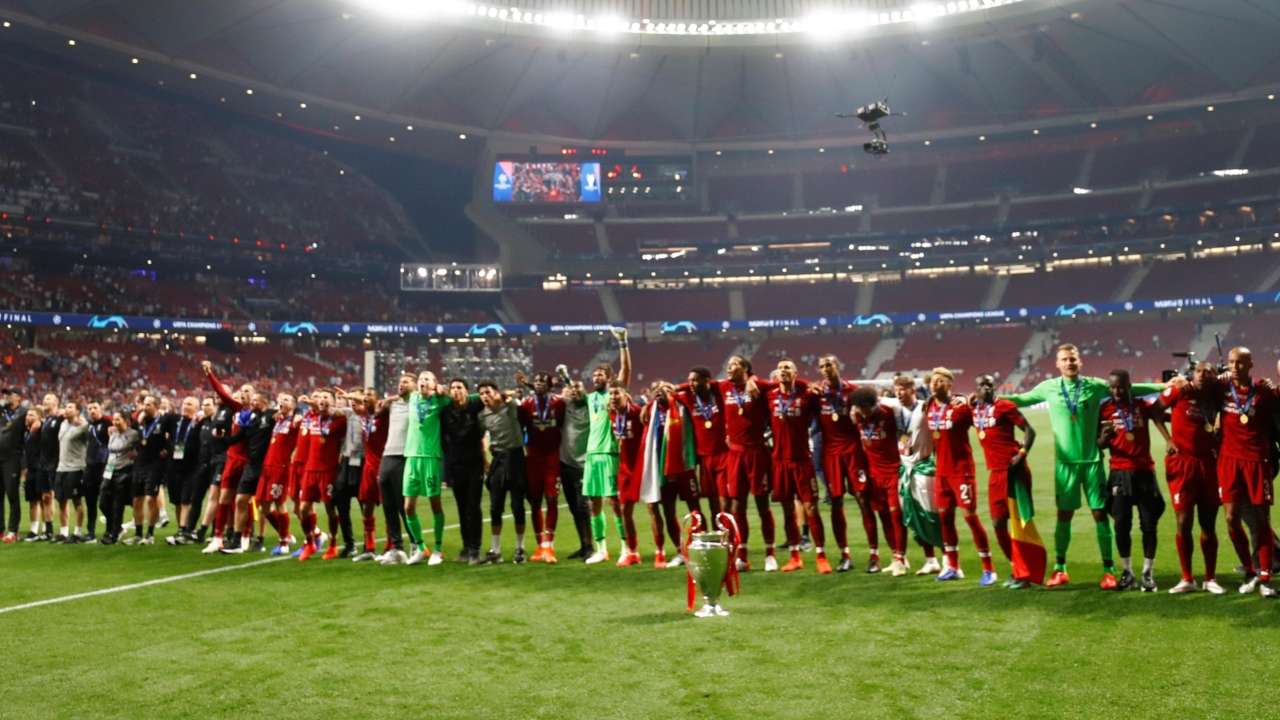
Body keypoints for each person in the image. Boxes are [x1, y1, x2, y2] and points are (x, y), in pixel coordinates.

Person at [1004, 343, 1166, 589]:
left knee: (1100, 515)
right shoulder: (1048, 388)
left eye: (1073, 359)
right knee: (1064, 516)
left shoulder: (1094, 386)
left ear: (1080, 362)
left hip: (1092, 462)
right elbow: (1019, 399)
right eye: (1064, 359)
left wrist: (1165, 386)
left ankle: (1109, 571)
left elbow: (1134, 389)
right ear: (1057, 364)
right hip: (1065, 464)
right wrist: (991, 399)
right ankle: (1060, 569)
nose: (1069, 363)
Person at [1195, 347, 1278, 598]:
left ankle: (1265, 577)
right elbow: (1196, 385)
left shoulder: (1263, 391)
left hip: (1256, 462)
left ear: (1250, 364)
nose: (1234, 367)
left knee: (1262, 520)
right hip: (1229, 461)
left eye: (1240, 363)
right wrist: (1208, 379)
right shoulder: (1220, 388)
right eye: (1231, 362)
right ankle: (1251, 571)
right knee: (1231, 518)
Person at [1154, 362, 1224, 594]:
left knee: (1208, 523)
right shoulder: (1180, 391)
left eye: (1209, 371)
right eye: (1200, 371)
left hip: (1209, 464)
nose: (1203, 375)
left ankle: (1210, 578)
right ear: (1193, 374)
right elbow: (1154, 412)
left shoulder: (1217, 394)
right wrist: (1168, 439)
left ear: (1215, 376)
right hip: (1182, 464)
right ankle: (1187, 578)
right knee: (1184, 522)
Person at [1098, 370, 1170, 592]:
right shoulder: (1105, 409)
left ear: (1129, 386)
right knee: (1121, 526)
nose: (1116, 391)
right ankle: (1127, 572)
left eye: (1120, 386)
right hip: (1119, 473)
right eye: (1112, 387)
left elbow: (1162, 415)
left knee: (1149, 525)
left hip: (1144, 472)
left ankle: (1148, 573)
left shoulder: (1142, 406)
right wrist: (1105, 438)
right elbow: (1098, 444)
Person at [925, 368, 996, 585]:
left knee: (970, 518)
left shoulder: (962, 407)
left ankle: (988, 569)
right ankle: (953, 566)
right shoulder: (928, 406)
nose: (935, 384)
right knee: (945, 519)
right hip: (942, 473)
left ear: (949, 384)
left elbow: (985, 422)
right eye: (932, 381)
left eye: (940, 381)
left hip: (962, 471)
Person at [973, 375, 1040, 588]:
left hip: (1014, 472)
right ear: (976, 390)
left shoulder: (1005, 406)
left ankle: (1027, 573)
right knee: (997, 523)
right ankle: (1017, 568)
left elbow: (1030, 430)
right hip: (995, 473)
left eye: (989, 385)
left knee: (1021, 524)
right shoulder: (974, 409)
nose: (986, 388)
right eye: (982, 386)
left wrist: (1021, 454)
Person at [766, 360, 829, 574]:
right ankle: (794, 556)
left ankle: (821, 555)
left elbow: (817, 394)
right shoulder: (770, 396)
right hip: (780, 461)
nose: (783, 370)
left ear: (795, 373)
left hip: (802, 460)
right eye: (780, 367)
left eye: (788, 368)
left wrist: (806, 384)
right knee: (787, 510)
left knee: (811, 507)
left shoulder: (807, 395)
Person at [813, 354, 866, 573]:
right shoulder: (815, 394)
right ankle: (845, 554)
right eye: (822, 366)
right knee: (836, 502)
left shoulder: (853, 390)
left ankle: (876, 552)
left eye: (829, 364)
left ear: (838, 366)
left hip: (853, 450)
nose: (826, 368)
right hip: (831, 453)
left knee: (864, 499)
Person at [583, 328, 632, 565]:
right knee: (593, 501)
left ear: (609, 378)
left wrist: (622, 343)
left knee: (615, 502)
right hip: (592, 454)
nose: (596, 378)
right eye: (594, 375)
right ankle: (601, 549)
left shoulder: (612, 394)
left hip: (611, 452)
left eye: (601, 374)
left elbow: (626, 371)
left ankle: (626, 547)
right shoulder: (590, 398)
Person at [887, 375, 942, 575]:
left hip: (923, 467)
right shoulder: (893, 407)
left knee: (930, 515)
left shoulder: (925, 407)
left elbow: (949, 400)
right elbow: (867, 400)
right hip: (904, 469)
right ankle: (931, 559)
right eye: (896, 390)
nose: (899, 393)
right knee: (912, 516)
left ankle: (949, 557)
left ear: (913, 390)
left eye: (903, 389)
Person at [851, 386, 908, 575]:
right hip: (874, 474)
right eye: (858, 408)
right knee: (884, 515)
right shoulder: (857, 415)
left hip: (893, 471)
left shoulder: (889, 412)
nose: (861, 411)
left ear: (872, 404)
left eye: (864, 407)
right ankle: (896, 556)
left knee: (896, 516)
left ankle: (900, 557)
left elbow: (905, 412)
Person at [200, 361, 256, 552]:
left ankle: (246, 534)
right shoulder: (237, 409)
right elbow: (222, 393)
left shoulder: (258, 415)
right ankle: (218, 537)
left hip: (247, 461)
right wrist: (210, 375)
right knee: (224, 497)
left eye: (248, 391)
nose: (243, 393)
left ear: (255, 396)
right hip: (232, 459)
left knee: (243, 499)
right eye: (241, 391)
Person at [639, 383, 696, 569]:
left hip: (684, 467)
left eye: (662, 388)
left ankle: (702, 547)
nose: (658, 390)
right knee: (669, 512)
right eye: (655, 388)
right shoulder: (651, 411)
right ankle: (681, 552)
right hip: (663, 469)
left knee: (695, 511)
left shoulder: (682, 407)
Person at [517, 371, 566, 563]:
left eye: (542, 381)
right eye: (536, 381)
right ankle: (539, 546)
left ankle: (549, 545)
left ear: (550, 384)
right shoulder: (526, 405)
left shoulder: (559, 403)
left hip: (552, 457)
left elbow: (562, 424)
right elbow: (520, 427)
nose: (538, 384)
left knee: (552, 498)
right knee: (535, 501)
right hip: (533, 457)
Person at [479, 380, 530, 564]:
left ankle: (520, 548)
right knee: (495, 507)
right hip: (498, 460)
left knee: (517, 506)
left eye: (488, 392)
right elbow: (480, 437)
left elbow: (518, 397)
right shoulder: (482, 416)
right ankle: (496, 550)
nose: (485, 396)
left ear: (496, 392)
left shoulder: (509, 407)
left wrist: (509, 395)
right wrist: (485, 459)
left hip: (516, 458)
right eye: (482, 393)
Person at [403, 371, 450, 566]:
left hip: (431, 457)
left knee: (435, 505)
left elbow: (451, 396)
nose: (423, 381)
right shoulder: (412, 397)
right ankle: (422, 548)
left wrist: (442, 391)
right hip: (411, 457)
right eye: (421, 379)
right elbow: (398, 394)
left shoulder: (440, 402)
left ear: (434, 384)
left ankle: (438, 550)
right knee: (408, 507)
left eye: (427, 379)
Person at [220, 390, 276, 554]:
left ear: (264, 401)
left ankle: (268, 537)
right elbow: (236, 438)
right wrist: (221, 437)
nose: (252, 404)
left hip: (266, 467)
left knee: (265, 505)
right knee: (240, 500)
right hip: (251, 466)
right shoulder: (251, 420)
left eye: (255, 401)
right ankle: (236, 541)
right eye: (251, 402)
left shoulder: (271, 415)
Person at [672, 366, 727, 526]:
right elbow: (669, 393)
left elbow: (722, 383)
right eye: (689, 381)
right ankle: (716, 532)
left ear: (707, 381)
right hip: (704, 457)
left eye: (695, 380)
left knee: (725, 497)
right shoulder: (689, 398)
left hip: (724, 453)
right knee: (711, 497)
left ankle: (726, 531)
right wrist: (679, 386)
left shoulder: (719, 394)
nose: (691, 384)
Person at [297, 389, 345, 562]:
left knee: (330, 509)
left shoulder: (340, 420)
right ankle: (310, 543)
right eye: (320, 397)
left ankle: (333, 543)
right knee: (303, 509)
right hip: (310, 469)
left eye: (326, 397)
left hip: (329, 470)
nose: (322, 400)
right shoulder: (313, 418)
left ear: (333, 401)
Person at [442, 378, 485, 564]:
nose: (456, 391)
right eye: (452, 388)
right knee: (461, 507)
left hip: (474, 463)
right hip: (455, 464)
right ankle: (466, 546)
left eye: (459, 387)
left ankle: (475, 548)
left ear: (467, 391)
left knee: (473, 506)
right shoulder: (446, 411)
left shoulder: (475, 405)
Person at [375, 373, 415, 566]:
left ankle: (416, 544)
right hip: (388, 454)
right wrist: (390, 399)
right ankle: (397, 548)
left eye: (406, 382)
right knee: (388, 503)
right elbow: (373, 405)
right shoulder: (393, 405)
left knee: (403, 504)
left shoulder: (418, 404)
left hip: (405, 455)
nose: (401, 384)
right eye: (400, 382)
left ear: (415, 385)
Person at [256, 393, 301, 557]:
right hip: (267, 466)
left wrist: (298, 415)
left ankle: (283, 542)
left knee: (279, 503)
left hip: (280, 467)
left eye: (287, 399)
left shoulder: (295, 421)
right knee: (263, 505)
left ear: (294, 405)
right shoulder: (278, 420)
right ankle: (286, 535)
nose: (282, 401)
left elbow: (301, 420)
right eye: (281, 399)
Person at [558, 371, 595, 560]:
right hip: (566, 463)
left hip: (584, 464)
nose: (574, 392)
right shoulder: (566, 405)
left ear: (585, 391)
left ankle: (591, 546)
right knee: (573, 507)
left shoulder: (590, 404)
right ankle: (583, 545)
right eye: (572, 389)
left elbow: (583, 393)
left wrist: (569, 381)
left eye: (578, 388)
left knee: (583, 506)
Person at [608, 380, 643, 567]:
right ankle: (633, 552)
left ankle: (669, 551)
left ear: (626, 395)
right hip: (625, 470)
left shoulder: (638, 412)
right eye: (611, 394)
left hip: (641, 467)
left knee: (656, 509)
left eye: (616, 393)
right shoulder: (612, 414)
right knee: (625, 511)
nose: (613, 397)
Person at [352, 388, 389, 562]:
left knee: (390, 507)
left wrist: (383, 402)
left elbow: (392, 403)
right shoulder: (363, 414)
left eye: (369, 396)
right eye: (364, 396)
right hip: (368, 466)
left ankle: (392, 545)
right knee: (366, 506)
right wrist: (352, 398)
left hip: (384, 464)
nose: (365, 399)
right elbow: (352, 407)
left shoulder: (385, 413)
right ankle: (369, 547)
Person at [127, 395, 169, 545]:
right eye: (144, 404)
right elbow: (132, 437)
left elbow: (171, 438)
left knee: (151, 499)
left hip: (155, 465)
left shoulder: (163, 422)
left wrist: (166, 450)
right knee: (137, 500)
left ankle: (150, 534)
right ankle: (138, 535)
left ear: (157, 406)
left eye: (149, 405)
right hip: (139, 464)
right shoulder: (140, 422)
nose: (145, 407)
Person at [162, 398, 200, 545]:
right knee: (177, 501)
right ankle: (181, 530)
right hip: (173, 466)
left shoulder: (198, 422)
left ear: (196, 407)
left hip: (191, 467)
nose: (185, 406)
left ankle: (185, 530)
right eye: (184, 403)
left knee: (186, 500)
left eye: (189, 404)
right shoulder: (174, 420)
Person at [101, 414, 139, 545]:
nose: (115, 422)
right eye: (114, 419)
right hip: (110, 469)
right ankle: (114, 528)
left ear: (126, 420)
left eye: (118, 419)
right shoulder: (113, 433)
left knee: (118, 504)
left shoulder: (133, 434)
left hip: (124, 470)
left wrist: (135, 454)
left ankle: (114, 532)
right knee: (103, 503)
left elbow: (134, 448)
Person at [54, 401, 90, 542]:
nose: (67, 409)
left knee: (77, 501)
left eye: (70, 407)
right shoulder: (63, 424)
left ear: (77, 411)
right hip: (61, 468)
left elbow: (90, 437)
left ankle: (77, 532)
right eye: (66, 407)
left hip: (76, 468)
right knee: (61, 501)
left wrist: (84, 422)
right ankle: (63, 532)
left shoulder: (83, 426)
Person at [1, 389, 30, 543]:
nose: (7, 396)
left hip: (12, 458)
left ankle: (13, 530)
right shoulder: (1, 410)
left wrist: (24, 461)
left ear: (18, 397)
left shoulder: (24, 413)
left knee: (12, 494)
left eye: (10, 394)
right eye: (6, 394)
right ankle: (0, 530)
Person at [82, 402, 111, 543]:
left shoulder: (107, 422)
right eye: (89, 409)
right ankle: (90, 532)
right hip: (90, 466)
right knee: (90, 501)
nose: (92, 411)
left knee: (105, 501)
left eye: (95, 408)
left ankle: (111, 529)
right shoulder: (88, 426)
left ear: (101, 410)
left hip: (104, 467)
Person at [21, 407, 47, 541]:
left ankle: (45, 530)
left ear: (39, 418)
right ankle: (33, 530)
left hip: (41, 469)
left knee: (43, 500)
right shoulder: (26, 432)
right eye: (27, 415)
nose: (27, 417)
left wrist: (41, 423)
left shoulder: (41, 429)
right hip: (30, 470)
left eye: (31, 415)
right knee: (32, 500)